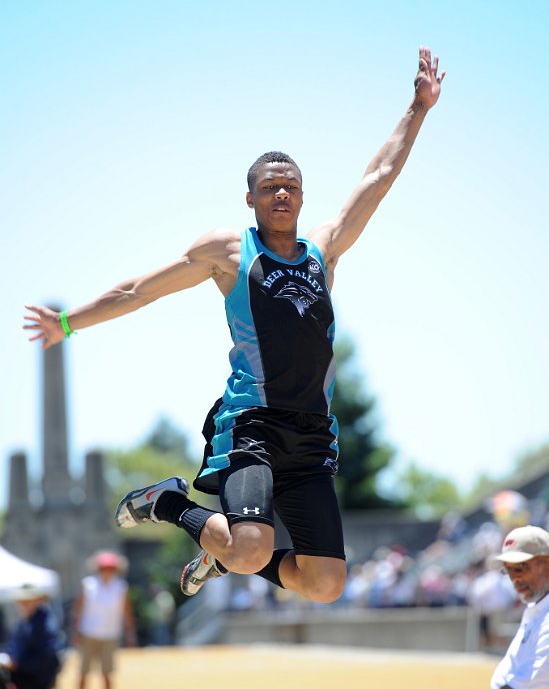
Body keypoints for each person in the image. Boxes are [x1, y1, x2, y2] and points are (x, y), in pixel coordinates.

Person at [24, 47, 444, 605]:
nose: (282, 194)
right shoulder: (228, 252)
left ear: (301, 195)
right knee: (246, 547)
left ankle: (219, 553)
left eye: (291, 186)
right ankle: (169, 501)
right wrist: (69, 324)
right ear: (250, 197)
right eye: (270, 186)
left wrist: (418, 108)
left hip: (313, 433)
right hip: (254, 424)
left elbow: (380, 175)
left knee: (325, 582)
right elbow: (138, 290)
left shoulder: (324, 249)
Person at [490, 525, 549, 689]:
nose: (515, 578)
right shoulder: (536, 608)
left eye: (521, 567)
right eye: (508, 569)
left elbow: (528, 685)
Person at [71, 551, 136, 689]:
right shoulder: (88, 584)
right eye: (104, 569)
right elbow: (78, 610)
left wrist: (130, 633)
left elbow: (127, 612)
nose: (107, 572)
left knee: (107, 672)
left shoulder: (121, 587)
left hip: (110, 635)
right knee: (83, 672)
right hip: (88, 633)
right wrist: (76, 632)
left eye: (110, 569)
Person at [0, 584, 62, 689]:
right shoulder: (25, 622)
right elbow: (13, 646)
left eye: (27, 601)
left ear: (37, 601)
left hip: (36, 678)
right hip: (23, 673)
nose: (22, 605)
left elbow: (46, 655)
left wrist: (18, 663)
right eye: (21, 602)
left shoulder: (44, 624)